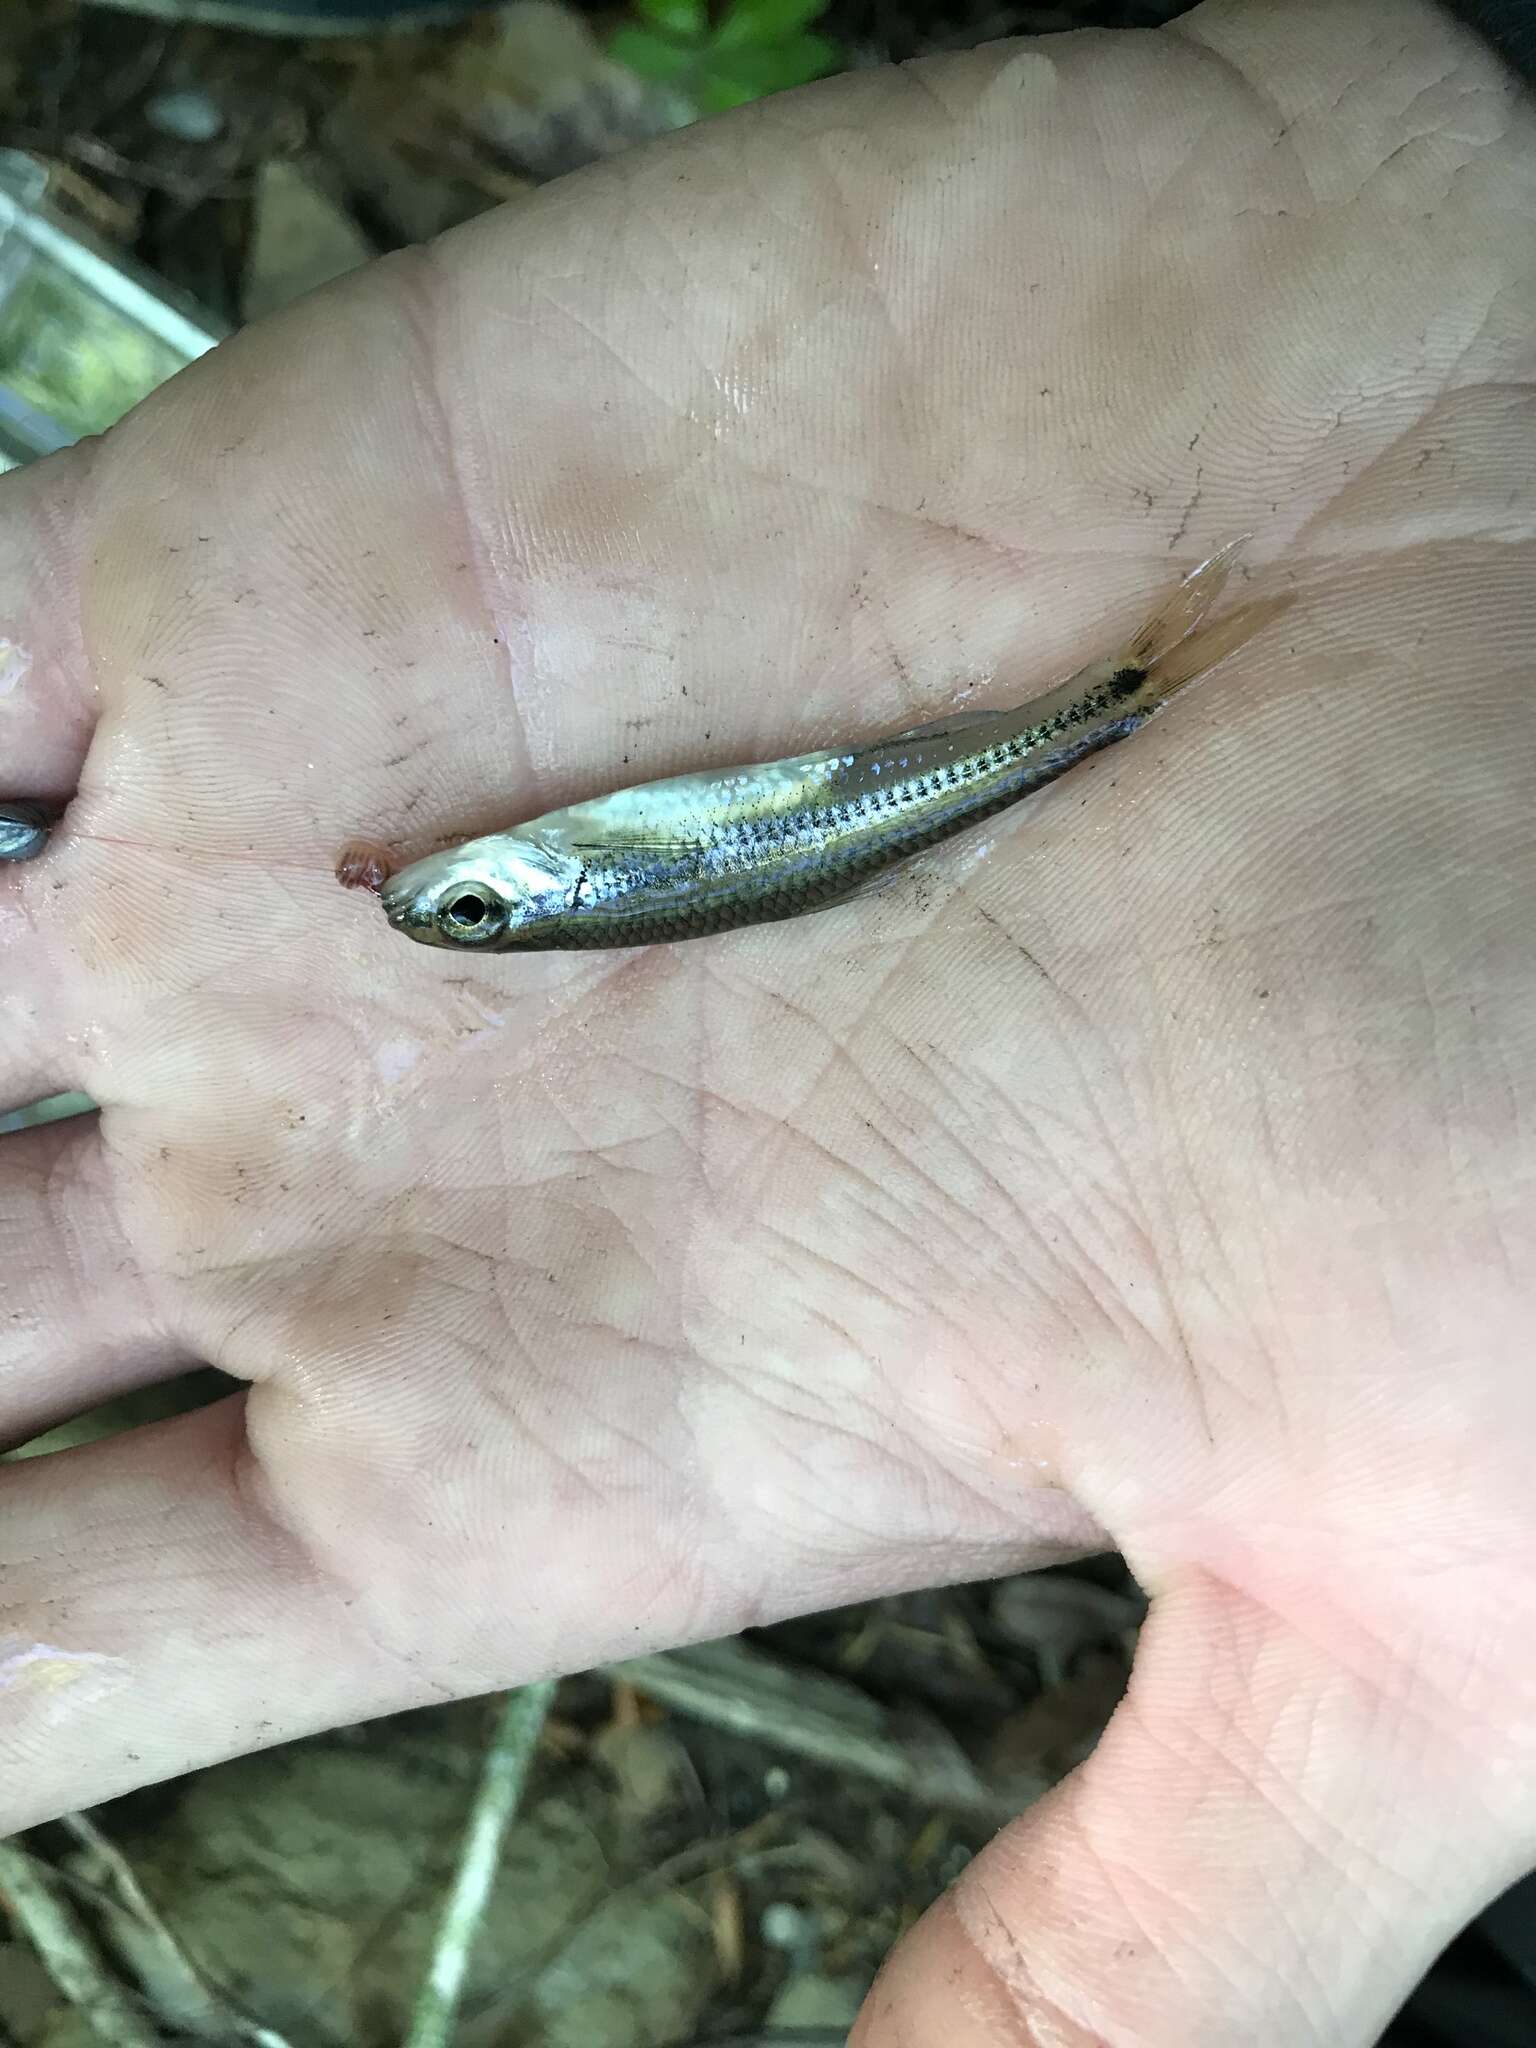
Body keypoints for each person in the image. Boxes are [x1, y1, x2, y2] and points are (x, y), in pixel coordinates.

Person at [1, 1, 1532, 2040]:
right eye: (474, 907)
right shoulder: (559, 874)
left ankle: (1116, 703)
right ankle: (1110, 706)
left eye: (473, 907)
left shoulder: (535, 873)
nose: (474, 888)